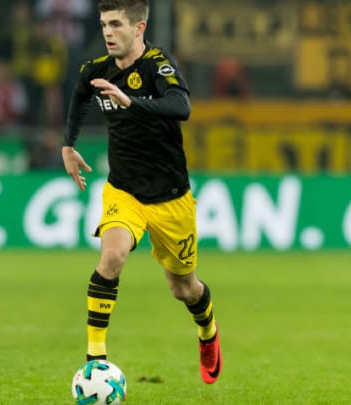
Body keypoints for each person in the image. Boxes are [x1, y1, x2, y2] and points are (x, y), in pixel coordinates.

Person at [61, 0, 222, 384]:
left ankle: (207, 331)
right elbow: (80, 95)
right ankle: (94, 359)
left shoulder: (157, 65)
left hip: (171, 198)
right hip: (124, 192)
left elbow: (181, 106)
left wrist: (131, 101)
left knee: (183, 288)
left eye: (116, 24)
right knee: (112, 256)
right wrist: (69, 144)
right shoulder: (96, 70)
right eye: (103, 24)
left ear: (139, 28)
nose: (108, 32)